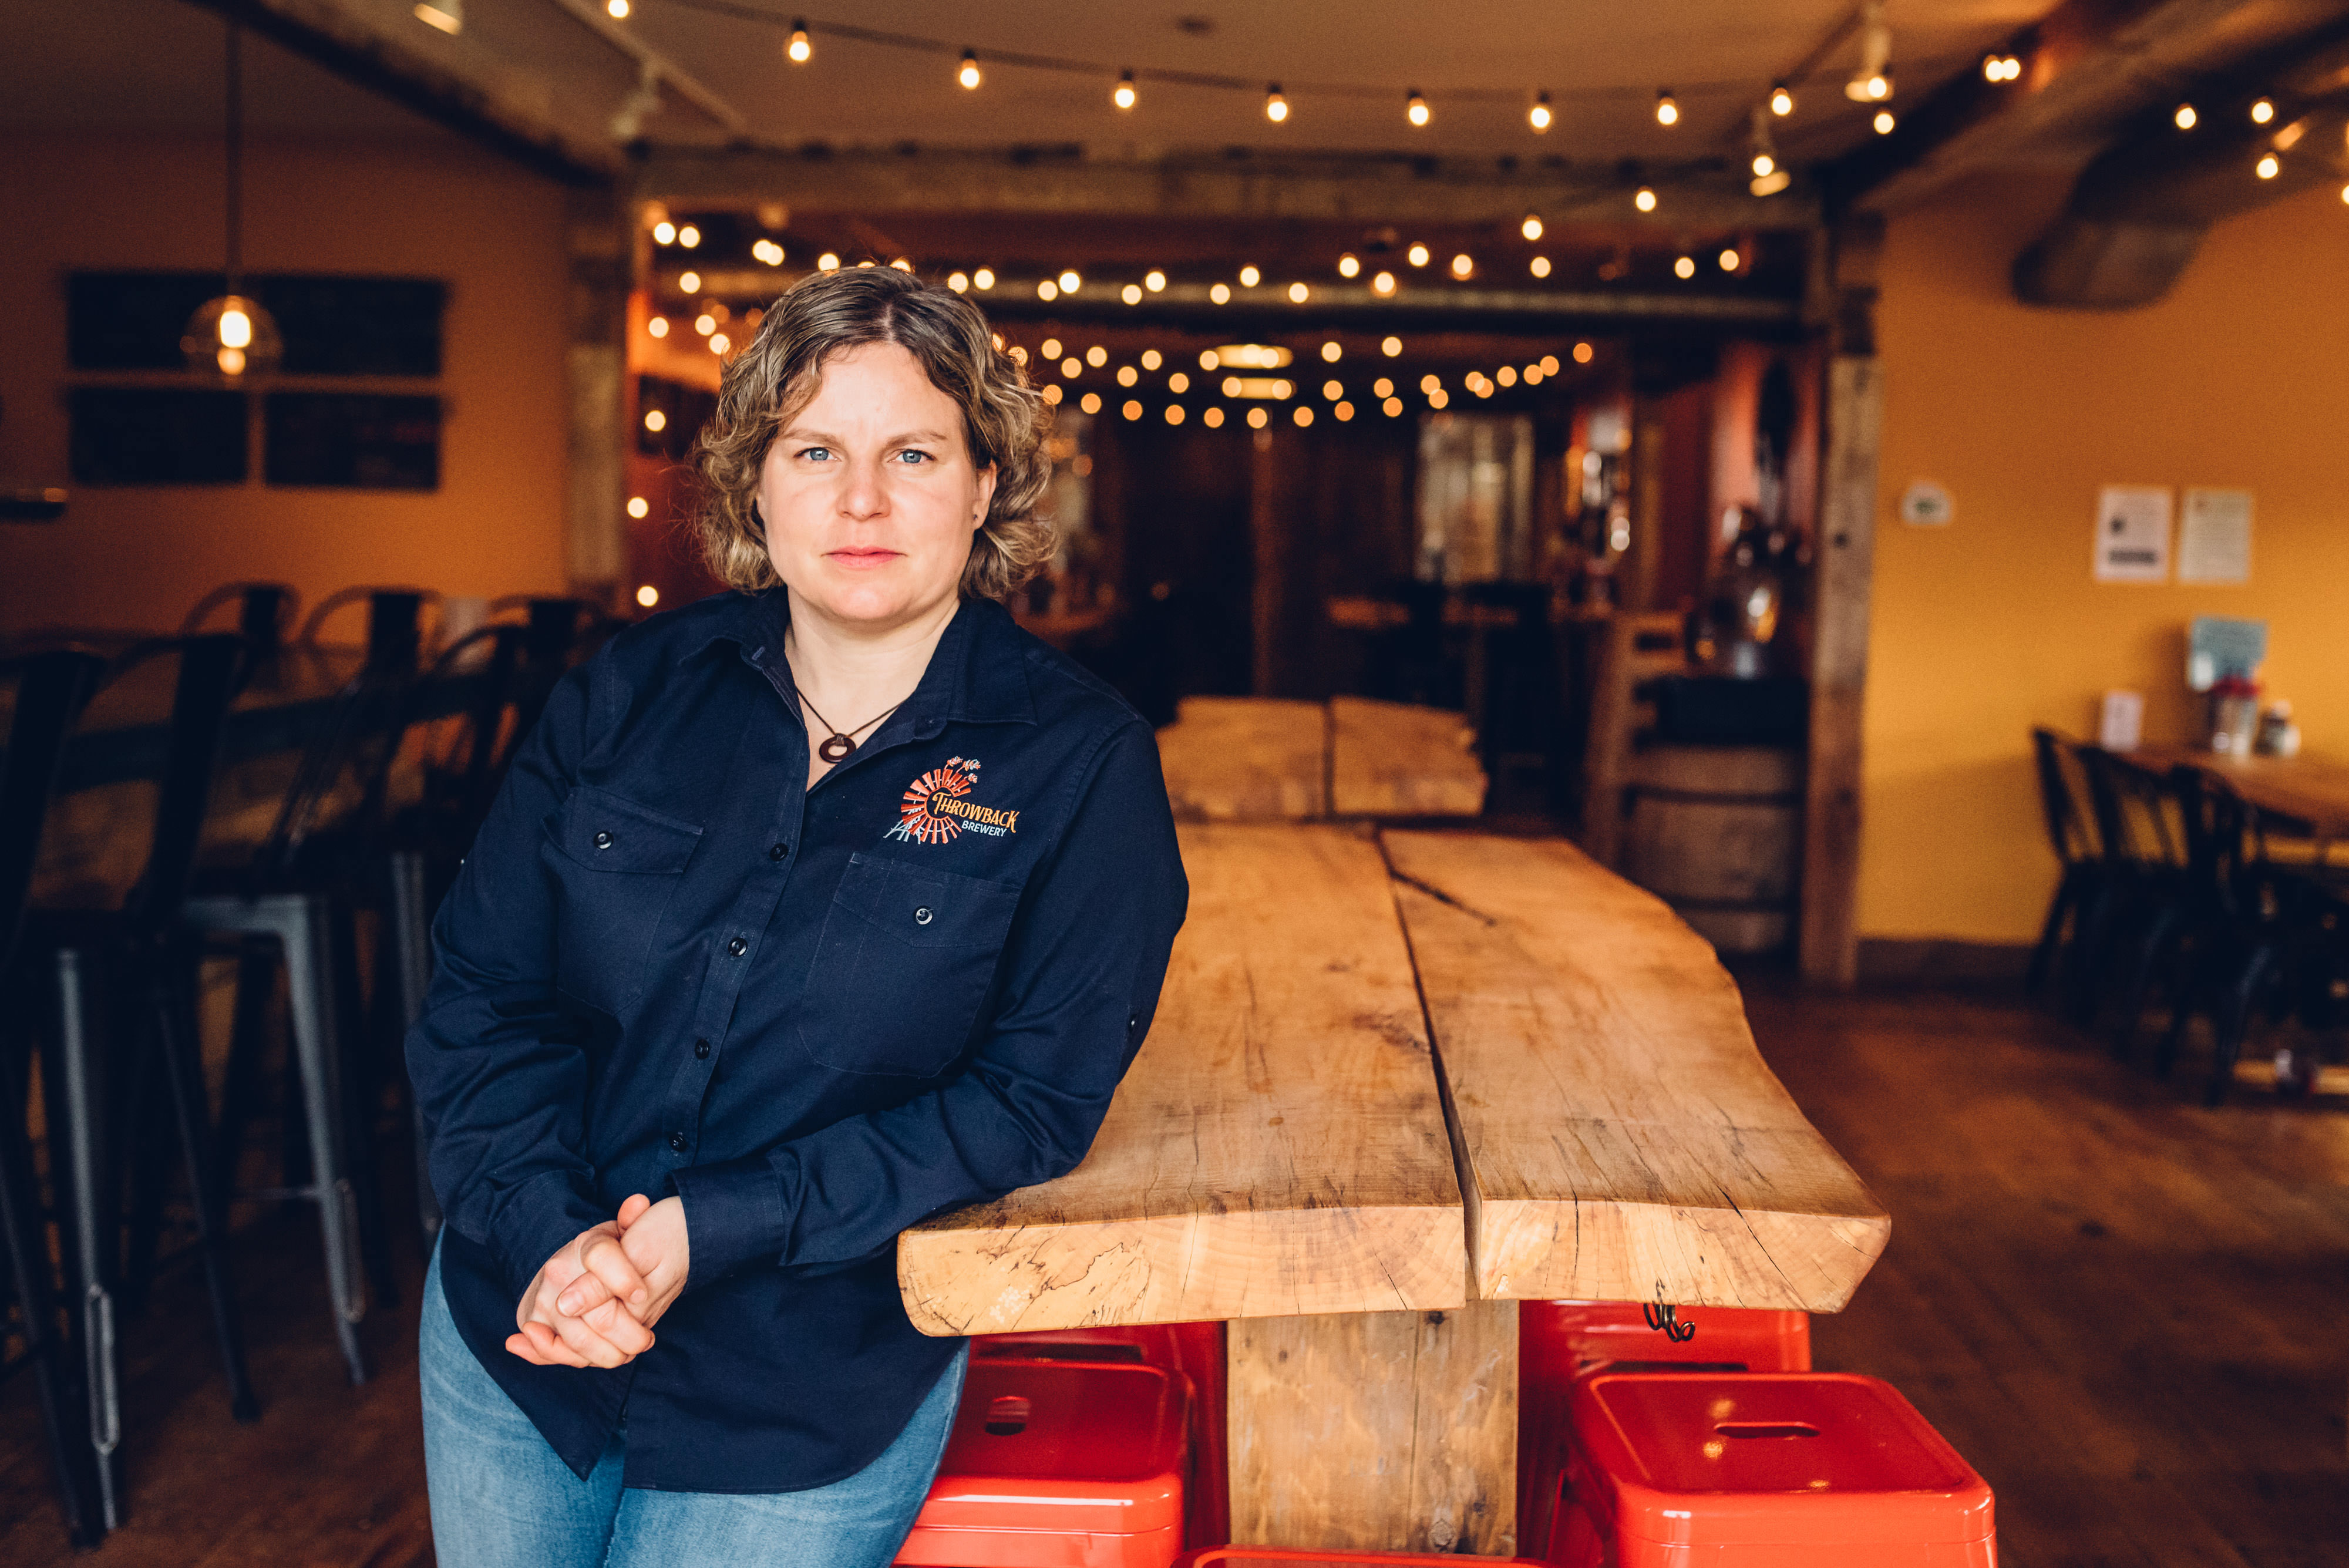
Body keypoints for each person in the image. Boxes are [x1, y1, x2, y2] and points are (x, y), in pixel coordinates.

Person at [406, 264, 1189, 1567]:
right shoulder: (624, 696)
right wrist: (550, 1235)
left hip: (807, 1387)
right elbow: (483, 998)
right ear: (753, 484)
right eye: (815, 448)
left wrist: (712, 1228)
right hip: (523, 1333)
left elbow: (1030, 1099)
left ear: (985, 481)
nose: (862, 499)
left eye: (914, 453)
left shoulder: (1080, 764)